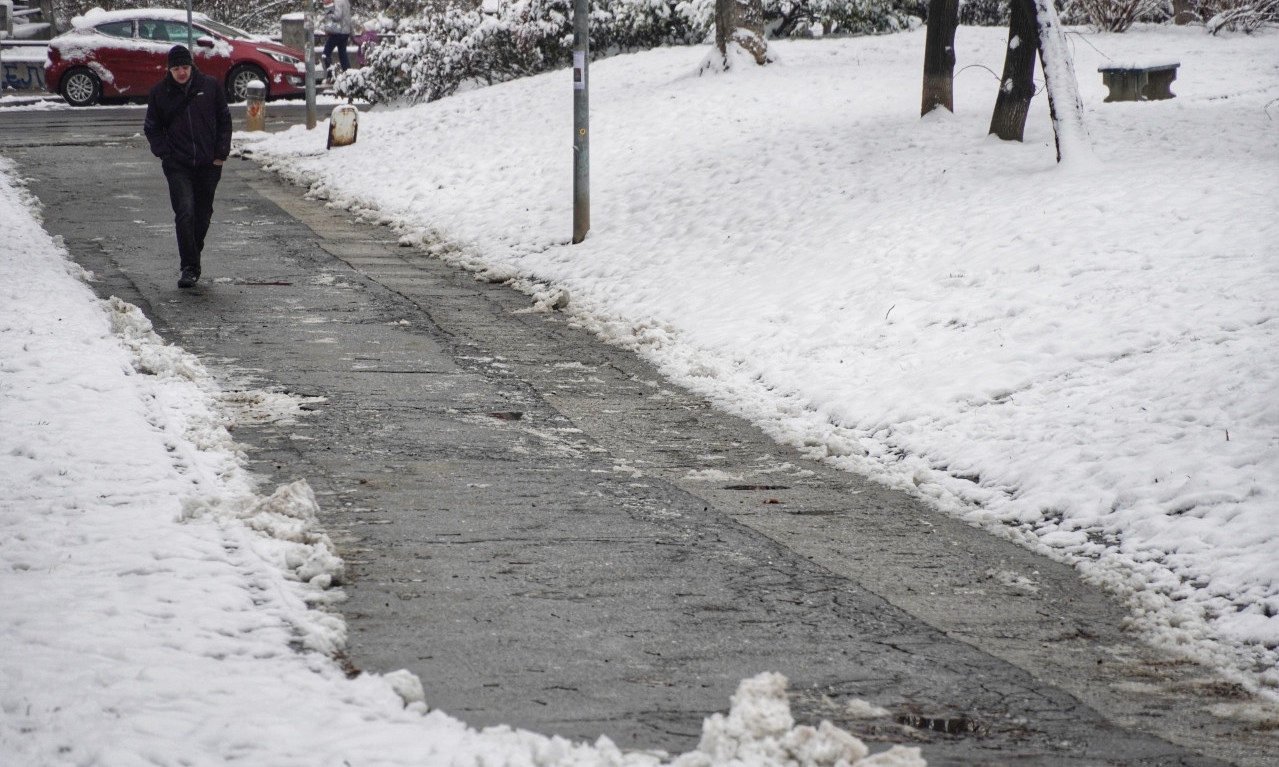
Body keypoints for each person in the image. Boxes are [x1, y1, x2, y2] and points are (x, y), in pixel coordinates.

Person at [143, 45, 231, 289]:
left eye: (185, 67)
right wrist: (166, 154)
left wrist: (220, 155)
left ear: (192, 66)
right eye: (176, 68)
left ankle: (193, 254)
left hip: (208, 163)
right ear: (169, 70)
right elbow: (152, 128)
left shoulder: (210, 86)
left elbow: (225, 120)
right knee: (185, 211)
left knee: (202, 215)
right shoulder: (160, 93)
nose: (181, 73)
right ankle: (189, 267)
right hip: (178, 165)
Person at [321, 0, 354, 79]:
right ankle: (349, 75)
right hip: (345, 32)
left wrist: (329, 14)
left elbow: (337, 16)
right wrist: (351, 32)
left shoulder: (337, 1)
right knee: (343, 54)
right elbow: (348, 17)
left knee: (326, 53)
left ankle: (330, 75)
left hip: (338, 32)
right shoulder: (346, 1)